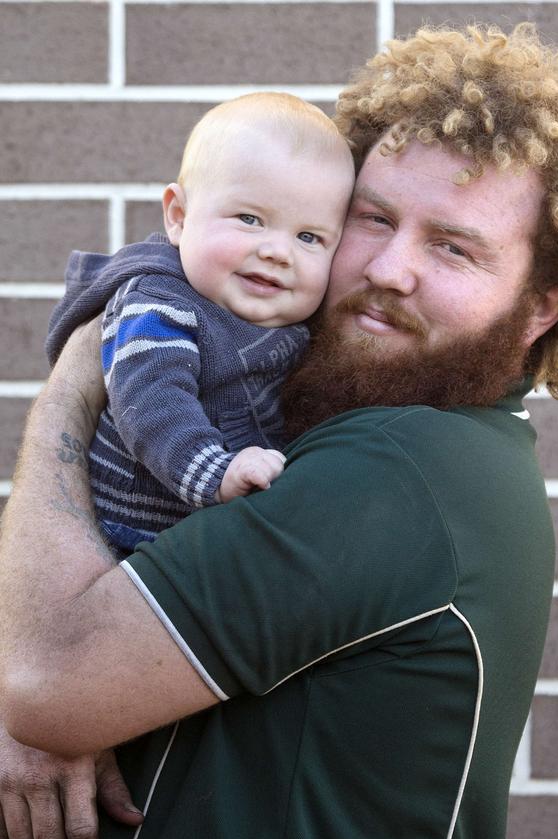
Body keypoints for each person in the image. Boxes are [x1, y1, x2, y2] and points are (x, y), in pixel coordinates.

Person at [0, 22, 558, 839]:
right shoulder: (347, 425)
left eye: (452, 247)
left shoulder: (402, 468)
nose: (388, 268)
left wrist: (79, 376)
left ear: (542, 306)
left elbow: (46, 683)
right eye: (371, 220)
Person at [46, 92, 355, 553]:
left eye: (308, 236)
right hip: (133, 536)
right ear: (179, 217)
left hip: (215, 534)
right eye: (250, 218)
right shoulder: (158, 305)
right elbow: (151, 402)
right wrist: (217, 473)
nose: (277, 251)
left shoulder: (297, 320)